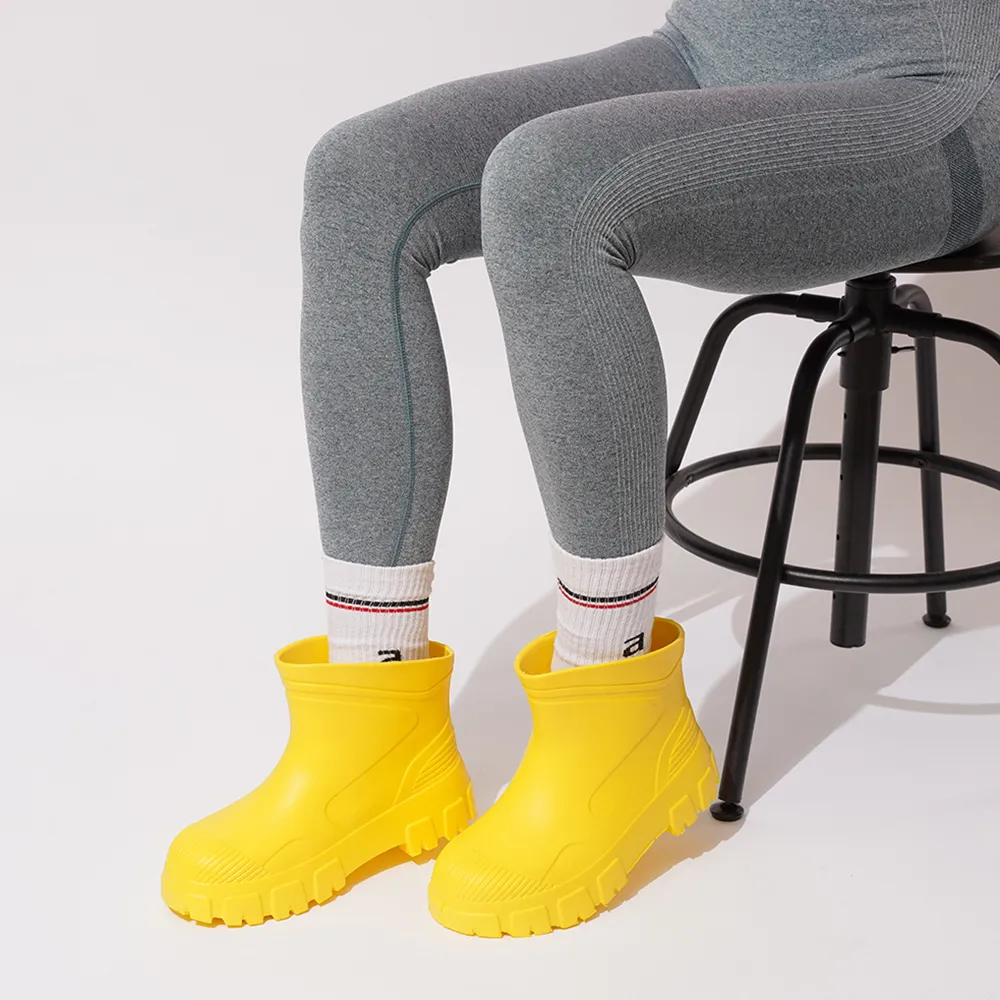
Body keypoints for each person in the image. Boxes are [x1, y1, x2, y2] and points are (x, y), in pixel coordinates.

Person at [160, 1, 1000, 937]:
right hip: (711, 53)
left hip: (934, 98)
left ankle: (618, 716)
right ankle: (372, 733)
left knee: (555, 183)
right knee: (364, 177)